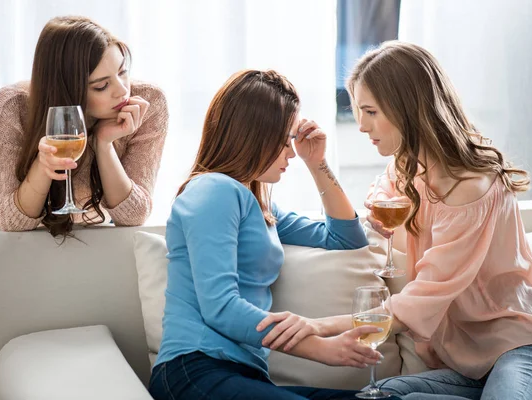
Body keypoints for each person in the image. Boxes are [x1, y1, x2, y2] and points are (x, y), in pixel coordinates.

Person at [260, 41, 532, 399]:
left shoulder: (471, 189)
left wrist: (317, 326)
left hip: (518, 350)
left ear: (407, 109)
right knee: (384, 395)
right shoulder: (406, 168)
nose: (362, 125)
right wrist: (318, 164)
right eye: (357, 111)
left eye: (370, 111)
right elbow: (364, 213)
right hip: (464, 366)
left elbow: (420, 300)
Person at [149, 69, 402, 400]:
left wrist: (318, 163)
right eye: (284, 141)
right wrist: (321, 349)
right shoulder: (213, 190)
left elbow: (346, 238)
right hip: (195, 371)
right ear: (253, 135)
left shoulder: (258, 205)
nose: (291, 153)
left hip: (242, 375)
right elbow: (220, 307)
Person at [0, 16, 168, 237]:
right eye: (102, 86)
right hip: (37, 256)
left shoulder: (147, 103)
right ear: (67, 89)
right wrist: (43, 165)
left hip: (105, 251)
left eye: (123, 72)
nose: (122, 90)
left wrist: (103, 144)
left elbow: (133, 216)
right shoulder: (15, 106)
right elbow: (10, 222)